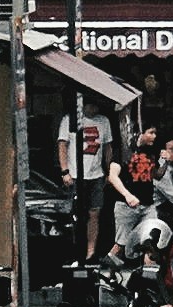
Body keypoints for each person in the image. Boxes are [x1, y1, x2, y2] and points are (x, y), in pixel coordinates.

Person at [56, 103, 110, 259]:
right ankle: (76, 250)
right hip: (75, 174)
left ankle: (90, 251)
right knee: (75, 213)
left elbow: (107, 146)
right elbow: (62, 145)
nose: (95, 108)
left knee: (95, 213)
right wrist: (64, 170)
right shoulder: (70, 120)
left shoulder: (103, 121)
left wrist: (108, 169)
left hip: (96, 174)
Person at [107, 124, 161, 251]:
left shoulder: (151, 151)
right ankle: (111, 270)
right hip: (126, 205)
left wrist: (165, 161)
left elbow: (156, 175)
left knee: (151, 242)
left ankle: (149, 270)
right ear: (140, 133)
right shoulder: (124, 151)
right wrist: (127, 195)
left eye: (155, 133)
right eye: (151, 132)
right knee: (121, 244)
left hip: (148, 204)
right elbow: (113, 176)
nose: (154, 136)